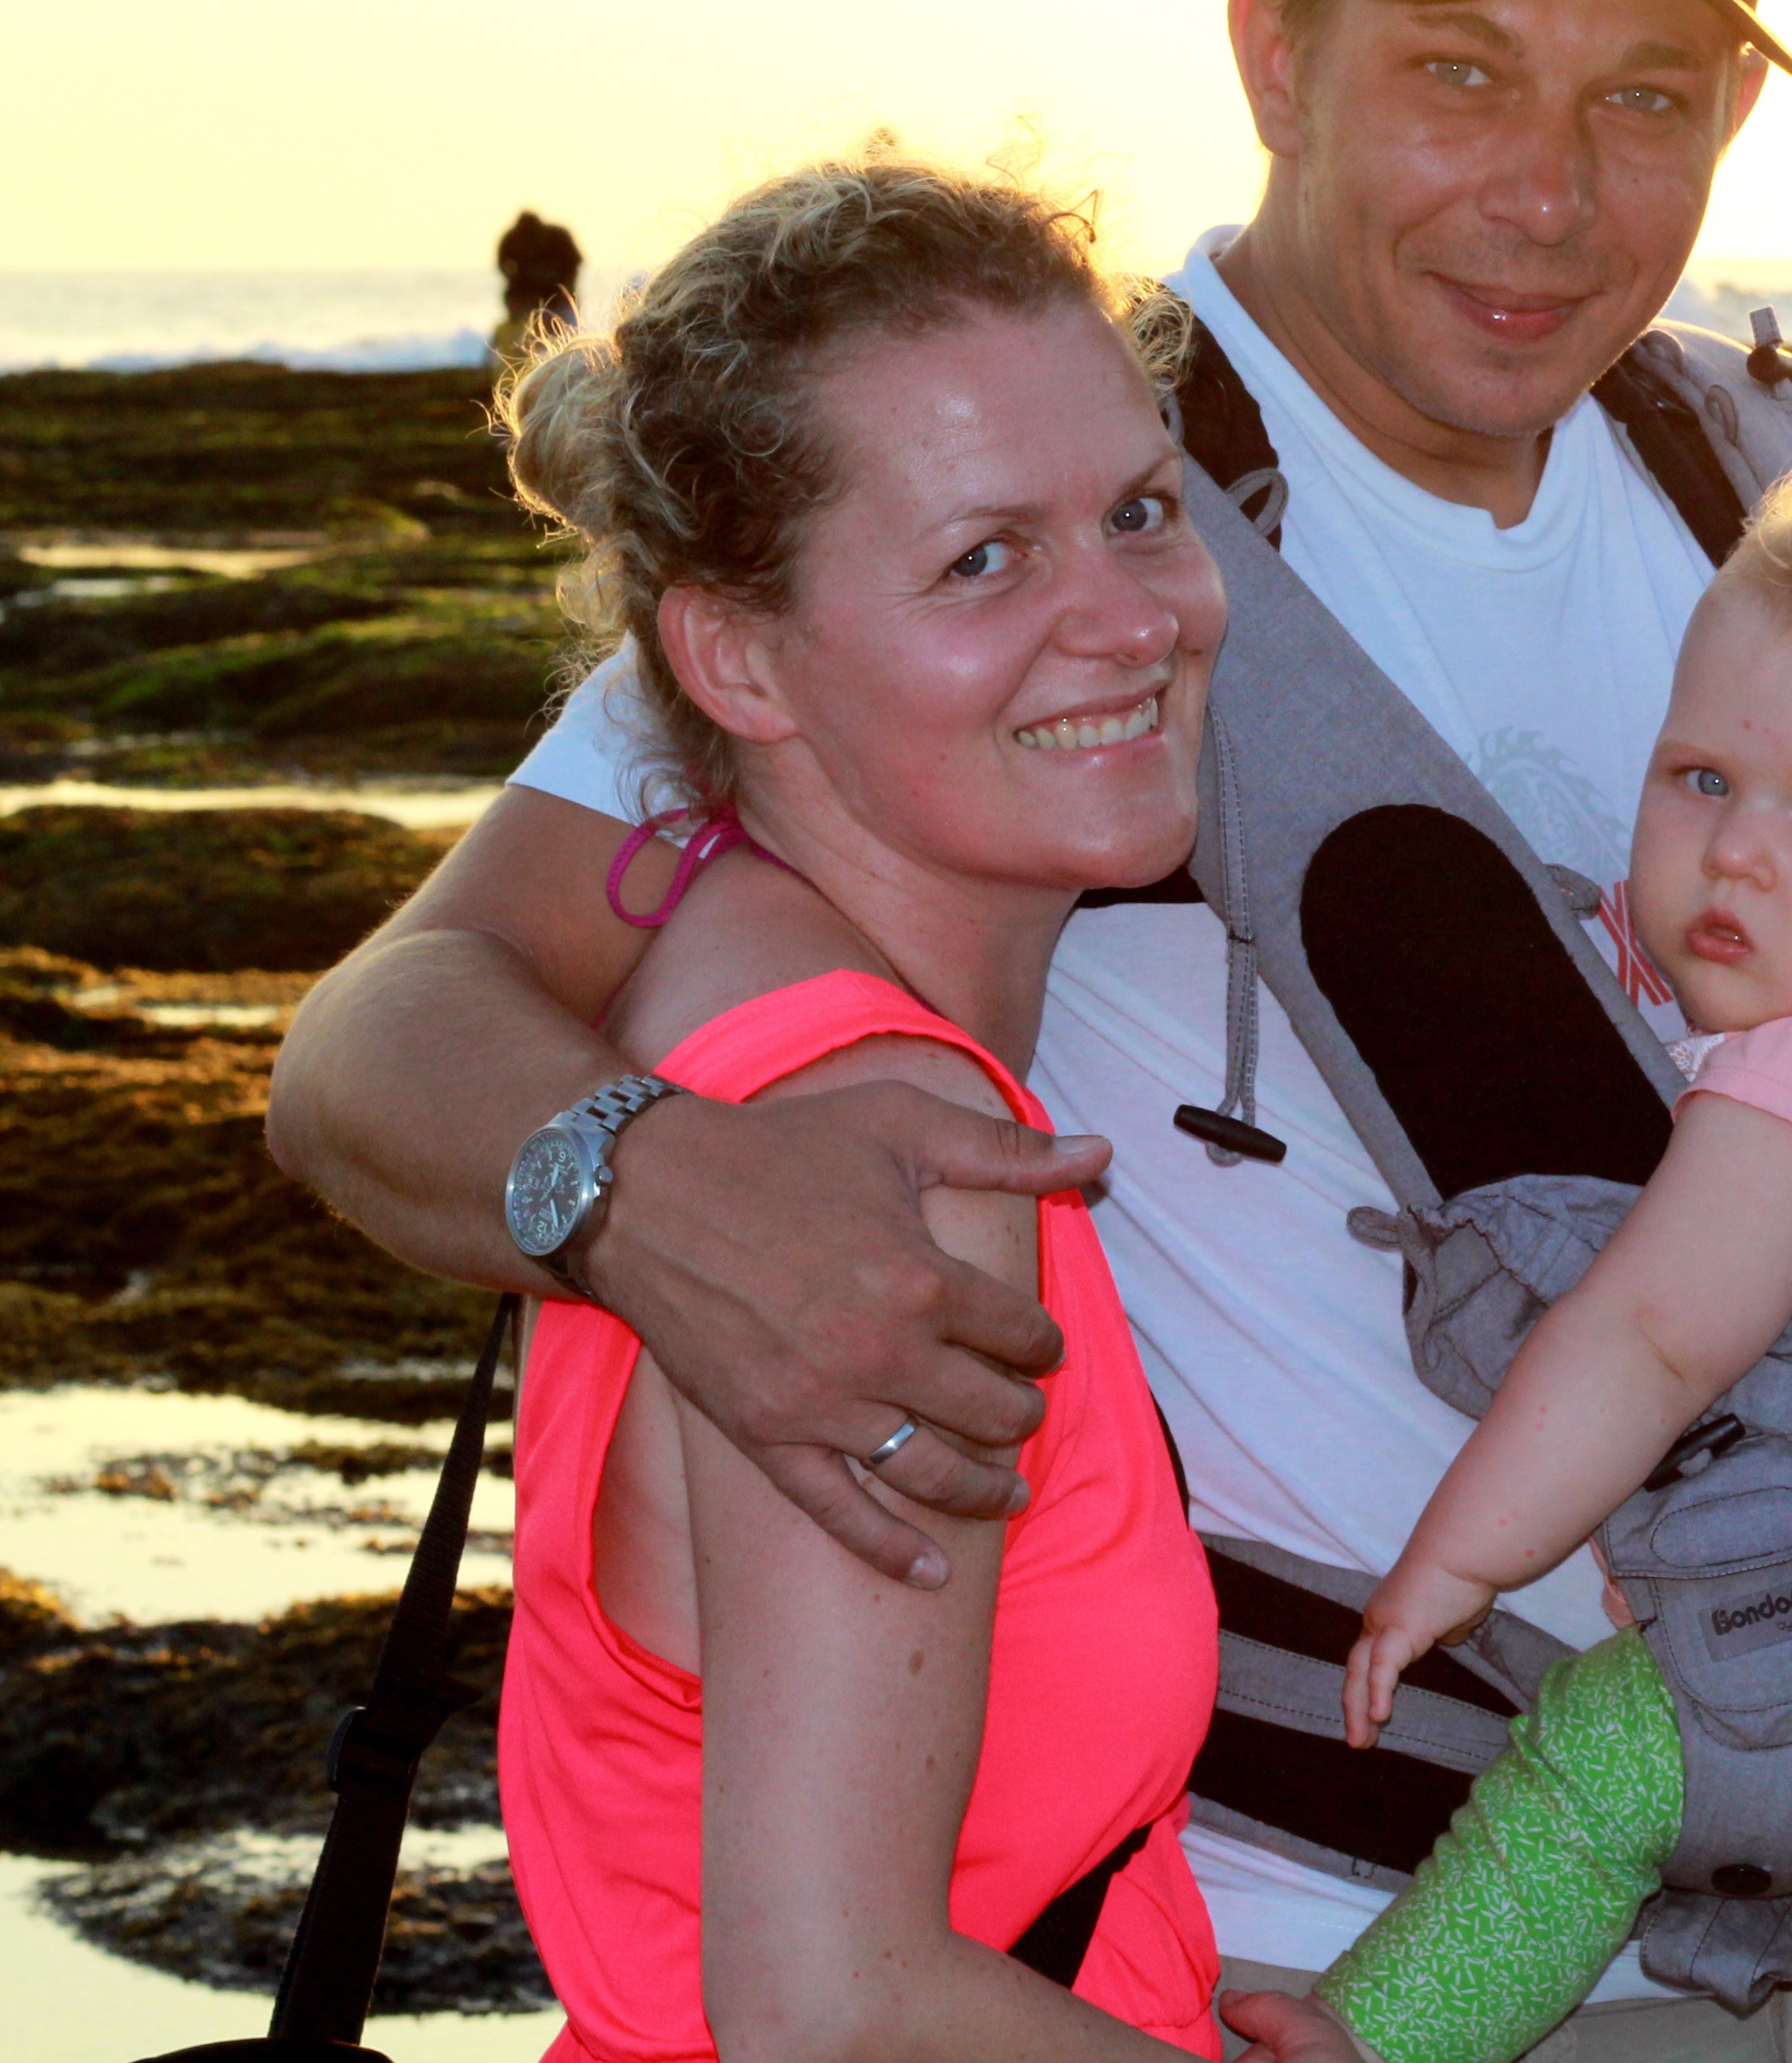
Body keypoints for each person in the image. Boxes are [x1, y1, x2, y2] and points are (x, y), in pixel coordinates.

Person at [270, 0, 1792, 2061]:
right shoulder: (1037, 514)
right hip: (1292, 1964)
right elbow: (377, 1044)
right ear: (1274, 54)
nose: (1550, 195)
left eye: (1645, 100)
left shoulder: (1756, 501)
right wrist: (645, 1198)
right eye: (1461, 72)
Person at [1253, 433, 1792, 2063]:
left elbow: (1657, 1335)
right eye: (1703, 782)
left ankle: (1382, 2040)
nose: (1740, 852)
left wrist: (1457, 1567)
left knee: (1600, 1770)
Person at [484, 154, 1233, 2059]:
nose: (1129, 617)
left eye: (1139, 510)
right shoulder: (883, 1143)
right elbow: (834, 2007)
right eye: (985, 556)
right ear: (735, 654)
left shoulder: (714, 1005)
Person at [496, 208, 584, 366]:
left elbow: (577, 262)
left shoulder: (559, 237)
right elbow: (502, 265)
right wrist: (516, 282)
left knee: (566, 341)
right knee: (524, 343)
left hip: (560, 299)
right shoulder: (512, 240)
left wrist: (567, 288)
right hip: (527, 300)